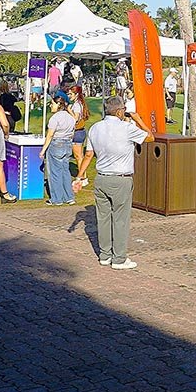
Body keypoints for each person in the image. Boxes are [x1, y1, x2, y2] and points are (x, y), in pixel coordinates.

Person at [75, 96, 154, 270]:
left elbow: (88, 155)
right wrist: (138, 119)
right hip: (120, 178)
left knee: (103, 218)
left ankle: (105, 255)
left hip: (102, 178)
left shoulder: (95, 128)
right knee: (120, 219)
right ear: (120, 111)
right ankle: (119, 258)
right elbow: (150, 137)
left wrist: (80, 176)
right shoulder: (126, 128)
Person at [39, 91, 76, 206]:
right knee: (65, 171)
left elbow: (50, 135)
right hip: (67, 144)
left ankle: (57, 198)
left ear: (58, 105)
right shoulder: (70, 118)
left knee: (54, 172)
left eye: (52, 104)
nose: (51, 106)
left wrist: (43, 150)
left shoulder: (54, 119)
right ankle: (69, 197)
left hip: (56, 144)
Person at [68, 84, 90, 170]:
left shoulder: (76, 105)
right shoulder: (80, 103)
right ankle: (83, 175)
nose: (69, 96)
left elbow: (76, 119)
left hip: (77, 132)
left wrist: (69, 111)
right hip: (81, 132)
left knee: (78, 156)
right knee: (80, 155)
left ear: (76, 94)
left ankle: (81, 176)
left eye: (71, 94)